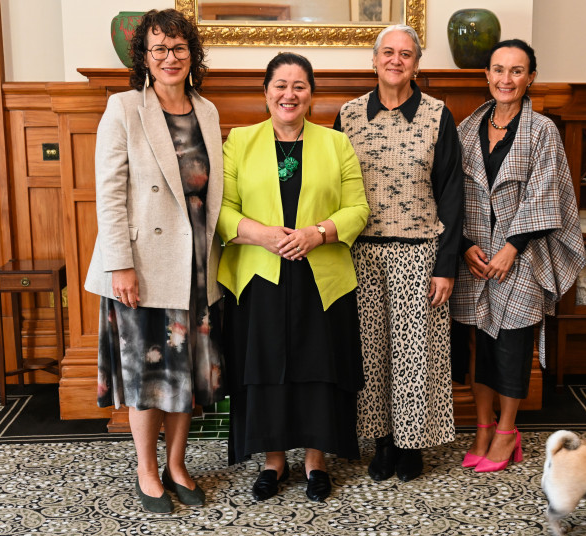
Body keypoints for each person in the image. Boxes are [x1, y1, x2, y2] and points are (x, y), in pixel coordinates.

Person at [84, 9, 225, 513]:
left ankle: (177, 464)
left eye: (179, 48)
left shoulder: (206, 111)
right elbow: (110, 194)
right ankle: (147, 470)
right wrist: (120, 263)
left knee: (184, 373)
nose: (170, 58)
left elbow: (210, 197)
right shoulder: (123, 108)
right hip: (142, 267)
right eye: (160, 49)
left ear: (193, 54)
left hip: (196, 265)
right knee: (150, 375)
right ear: (143, 57)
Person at [217, 52, 369, 502]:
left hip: (321, 276)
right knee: (264, 368)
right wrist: (262, 235)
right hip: (259, 275)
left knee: (319, 368)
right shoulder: (239, 142)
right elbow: (221, 211)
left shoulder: (335, 143)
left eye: (299, 86)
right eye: (280, 85)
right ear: (266, 92)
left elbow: (358, 207)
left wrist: (317, 234)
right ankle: (273, 460)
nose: (289, 94)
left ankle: (316, 461)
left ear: (311, 96)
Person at [334, 25, 464, 483]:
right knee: (371, 354)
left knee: (414, 353)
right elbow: (333, 189)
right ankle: (382, 442)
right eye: (387, 52)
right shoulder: (348, 116)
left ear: (416, 64)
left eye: (405, 54)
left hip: (419, 253)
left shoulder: (436, 115)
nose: (395, 60)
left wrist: (445, 266)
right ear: (373, 60)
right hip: (360, 254)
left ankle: (412, 444)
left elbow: (451, 195)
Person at [451, 39, 585, 473]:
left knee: (511, 345)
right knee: (477, 345)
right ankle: (483, 427)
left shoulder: (543, 130)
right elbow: (452, 194)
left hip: (522, 256)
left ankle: (508, 431)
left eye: (516, 71)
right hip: (475, 256)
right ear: (486, 75)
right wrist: (466, 245)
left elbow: (546, 193)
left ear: (530, 78)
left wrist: (511, 248)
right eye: (498, 70)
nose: (506, 79)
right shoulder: (466, 128)